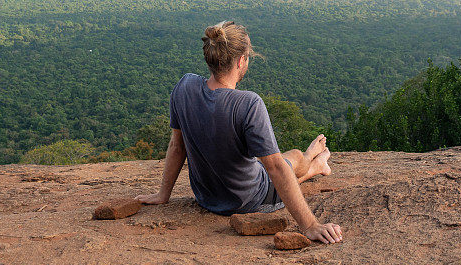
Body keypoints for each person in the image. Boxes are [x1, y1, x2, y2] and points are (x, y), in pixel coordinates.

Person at [135, 20, 343, 244]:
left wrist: (162, 195)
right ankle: (312, 163)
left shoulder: (184, 87)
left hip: (206, 197)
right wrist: (310, 226)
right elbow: (274, 168)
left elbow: (177, 145)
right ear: (241, 60)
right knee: (291, 157)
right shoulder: (248, 104)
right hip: (249, 201)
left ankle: (314, 159)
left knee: (280, 161)